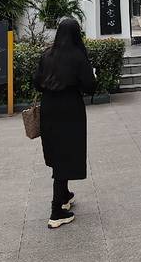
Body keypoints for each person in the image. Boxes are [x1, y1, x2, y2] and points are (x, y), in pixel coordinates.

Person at [33, 16, 96, 229]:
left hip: (49, 108)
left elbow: (37, 83)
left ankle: (65, 195)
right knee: (66, 154)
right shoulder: (78, 56)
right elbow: (90, 86)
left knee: (58, 153)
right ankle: (56, 211)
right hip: (70, 109)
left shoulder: (47, 54)